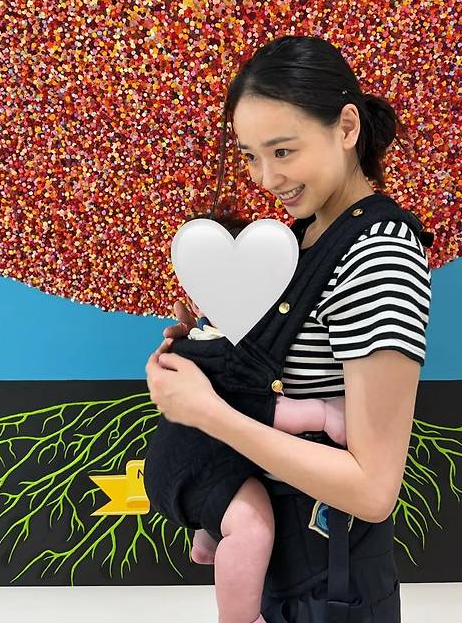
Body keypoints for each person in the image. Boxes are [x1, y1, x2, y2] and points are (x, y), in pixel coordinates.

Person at [145, 35, 432, 623]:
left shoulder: (378, 256)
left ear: (346, 127)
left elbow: (373, 489)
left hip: (330, 586)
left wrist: (207, 411)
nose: (267, 177)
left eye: (283, 151)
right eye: (251, 156)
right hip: (283, 573)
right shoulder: (301, 241)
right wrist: (203, 353)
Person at [182, 215, 347, 575]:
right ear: (197, 304)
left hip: (208, 461)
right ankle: (240, 605)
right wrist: (323, 415)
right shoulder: (226, 351)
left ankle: (206, 537)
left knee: (234, 489)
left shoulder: (202, 338)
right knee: (251, 523)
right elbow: (260, 407)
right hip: (202, 466)